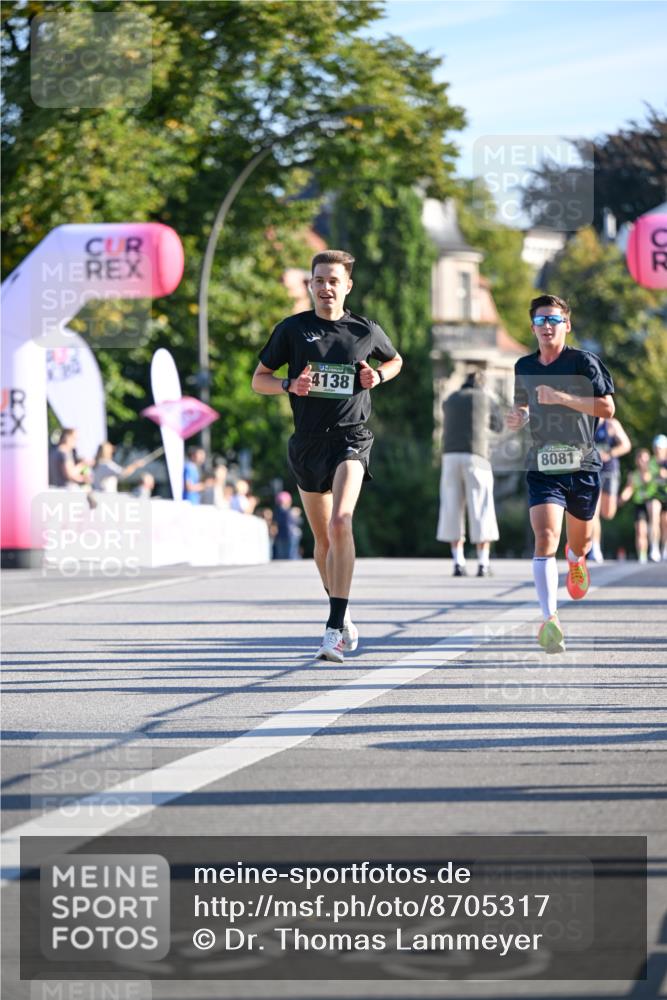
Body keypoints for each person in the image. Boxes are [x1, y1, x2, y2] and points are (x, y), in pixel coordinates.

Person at [252, 249, 402, 662]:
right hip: (307, 443)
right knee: (322, 542)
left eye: (333, 280)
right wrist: (288, 386)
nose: (325, 287)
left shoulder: (364, 330)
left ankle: (332, 629)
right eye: (319, 280)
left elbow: (395, 360)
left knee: (341, 521)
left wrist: (379, 375)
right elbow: (258, 380)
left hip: (352, 438)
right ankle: (344, 607)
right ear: (310, 285)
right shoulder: (292, 329)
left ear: (347, 286)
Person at [506, 294, 615, 654]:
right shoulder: (524, 365)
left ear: (566, 325)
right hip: (543, 464)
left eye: (554, 320)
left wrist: (562, 398)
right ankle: (549, 618)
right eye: (540, 321)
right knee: (545, 536)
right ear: (533, 326)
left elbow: (607, 408)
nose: (547, 326)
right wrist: (517, 416)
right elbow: (522, 403)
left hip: (582, 464)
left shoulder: (583, 362)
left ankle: (576, 559)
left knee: (579, 542)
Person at [436, 369, 502, 577]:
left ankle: (458, 561)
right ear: (482, 383)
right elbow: (498, 426)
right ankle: (483, 563)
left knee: (452, 507)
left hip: (450, 456)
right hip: (477, 456)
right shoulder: (486, 397)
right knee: (481, 507)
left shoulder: (450, 400)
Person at [589, 416, 631, 561]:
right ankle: (595, 548)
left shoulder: (611, 424)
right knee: (594, 512)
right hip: (593, 471)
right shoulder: (585, 422)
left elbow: (626, 445)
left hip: (609, 471)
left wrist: (609, 453)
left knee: (608, 513)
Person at [619, 448, 661, 563]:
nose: (643, 462)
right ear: (637, 461)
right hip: (639, 504)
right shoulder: (633, 475)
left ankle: (655, 548)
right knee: (640, 530)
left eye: (646, 459)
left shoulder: (654, 472)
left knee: (654, 509)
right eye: (641, 459)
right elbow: (629, 489)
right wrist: (622, 498)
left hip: (652, 502)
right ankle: (642, 555)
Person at [650, 434, 667, 561]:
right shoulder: (650, 462)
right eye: (656, 448)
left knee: (665, 522)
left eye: (660, 448)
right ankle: (654, 548)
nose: (658, 450)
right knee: (654, 517)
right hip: (654, 495)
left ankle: (665, 548)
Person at [273, 490, 303, 560]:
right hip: (291, 535)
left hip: (281, 535)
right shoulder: (290, 512)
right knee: (291, 554)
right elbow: (299, 522)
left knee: (282, 555)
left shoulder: (277, 512)